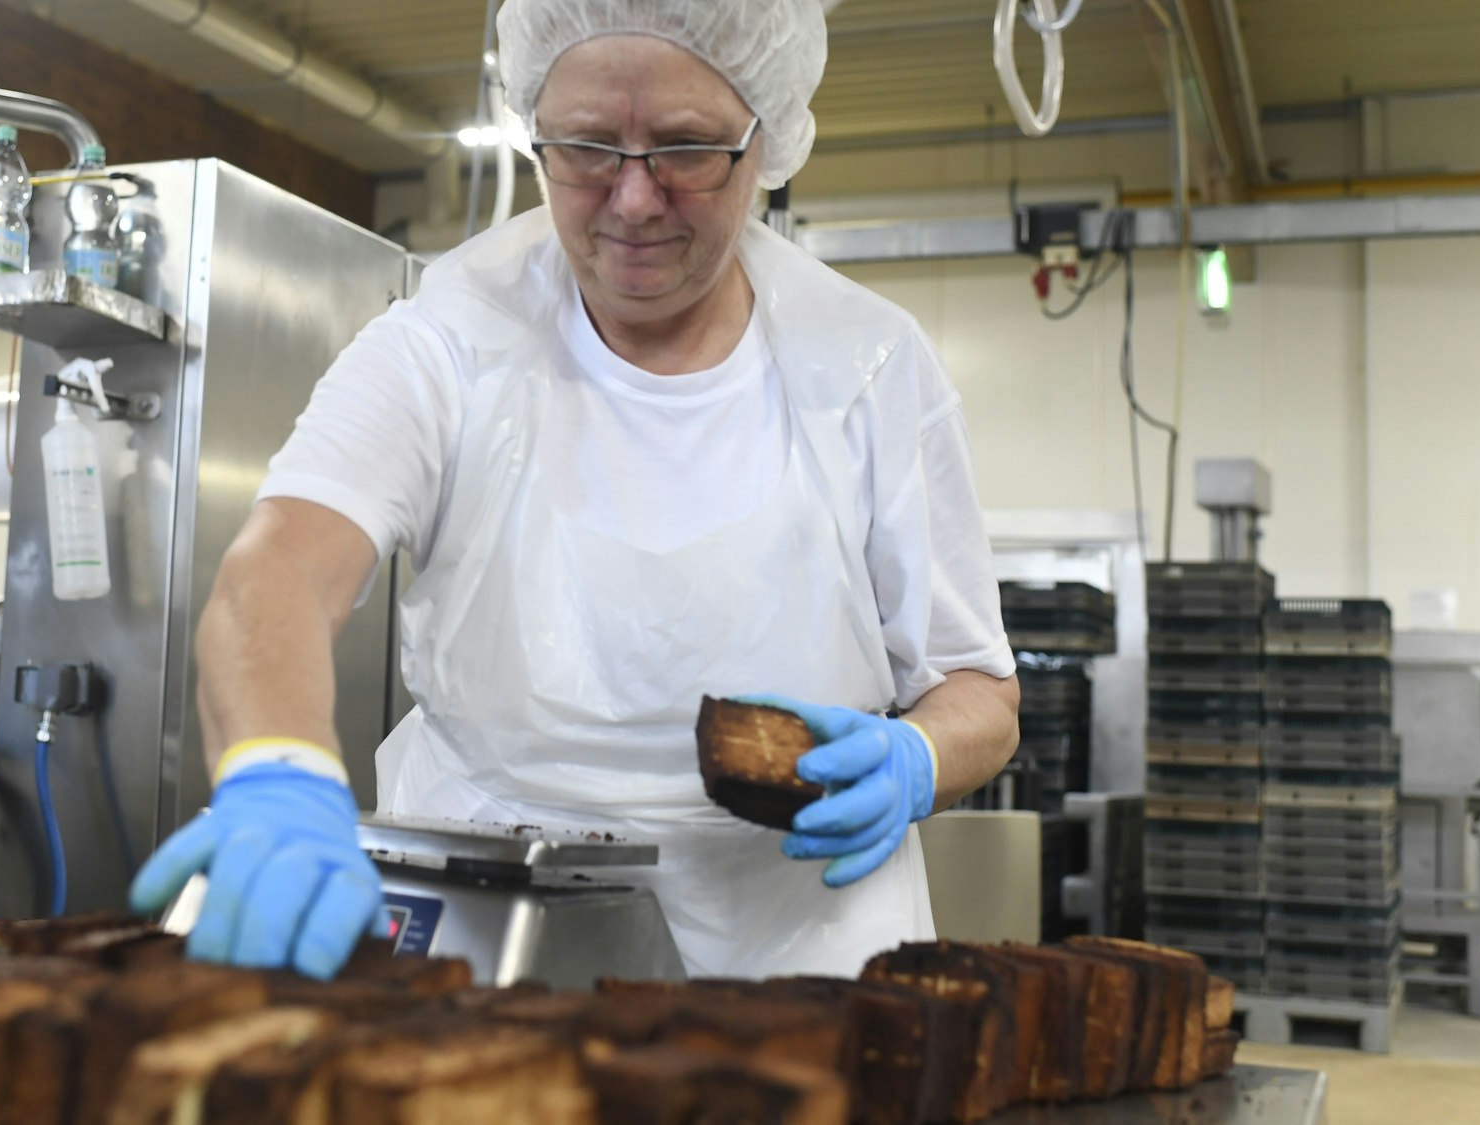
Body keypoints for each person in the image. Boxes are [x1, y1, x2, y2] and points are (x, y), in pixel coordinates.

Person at [132, 0, 1019, 979]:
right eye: (587, 146)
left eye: (684, 149)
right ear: (534, 132)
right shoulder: (447, 339)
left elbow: (975, 688)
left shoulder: (866, 365)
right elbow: (279, 570)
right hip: (495, 935)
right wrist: (277, 771)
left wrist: (918, 759)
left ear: (762, 142)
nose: (632, 200)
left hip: (797, 956)